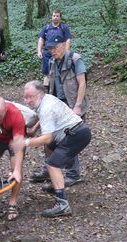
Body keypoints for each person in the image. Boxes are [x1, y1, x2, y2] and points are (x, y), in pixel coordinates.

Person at [12, 81, 91, 218]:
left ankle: (62, 204)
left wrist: (25, 142)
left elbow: (47, 137)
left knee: (52, 164)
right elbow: (41, 119)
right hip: (73, 131)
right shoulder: (46, 99)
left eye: (30, 97)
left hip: (76, 134)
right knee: (49, 148)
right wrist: (33, 130)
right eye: (25, 97)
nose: (27, 101)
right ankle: (54, 181)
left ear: (40, 94)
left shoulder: (46, 107)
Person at [30, 36, 88, 188]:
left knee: (69, 140)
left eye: (54, 48)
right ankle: (48, 168)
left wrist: (78, 105)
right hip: (56, 105)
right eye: (49, 48)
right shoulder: (52, 62)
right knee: (48, 138)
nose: (52, 51)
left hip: (72, 106)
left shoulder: (75, 59)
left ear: (63, 45)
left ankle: (73, 174)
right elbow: (48, 81)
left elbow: (82, 83)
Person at [36, 9, 71, 86]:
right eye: (54, 16)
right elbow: (41, 39)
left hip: (60, 53)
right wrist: (39, 51)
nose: (55, 17)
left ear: (60, 17)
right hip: (47, 53)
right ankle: (46, 88)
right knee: (46, 73)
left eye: (57, 16)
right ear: (52, 17)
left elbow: (68, 40)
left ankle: (60, 89)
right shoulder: (47, 27)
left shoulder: (64, 27)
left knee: (60, 72)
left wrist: (66, 52)